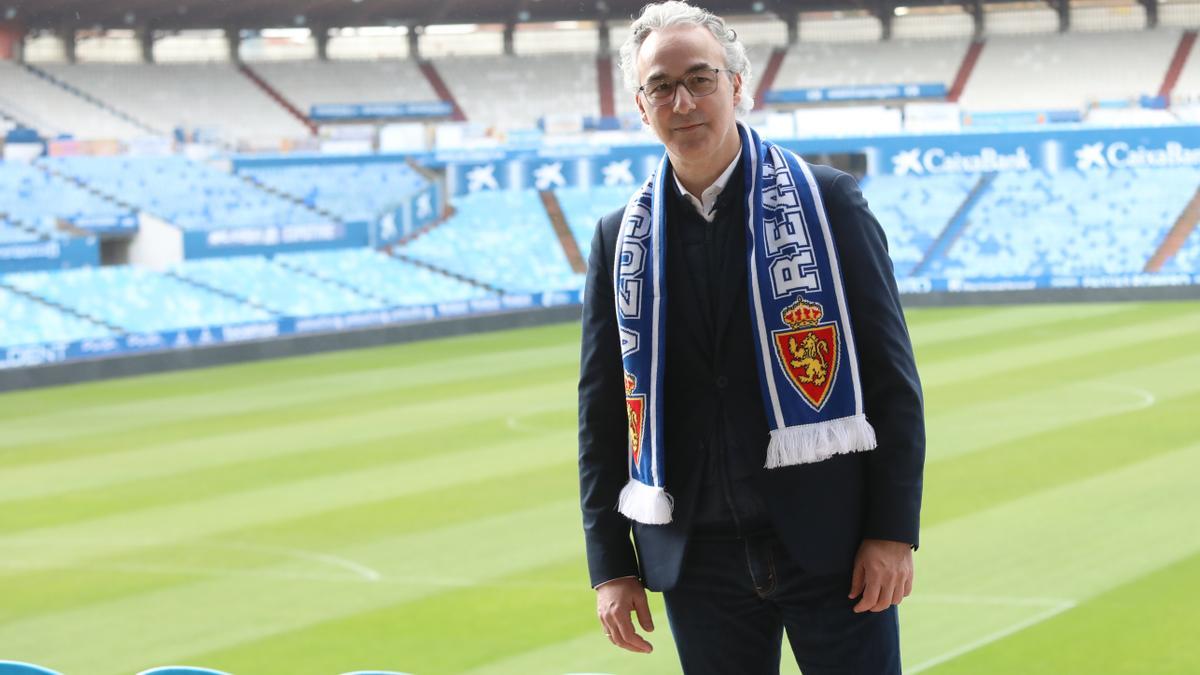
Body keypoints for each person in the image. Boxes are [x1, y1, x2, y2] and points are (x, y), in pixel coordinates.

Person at [577, 2, 925, 673]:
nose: (683, 101)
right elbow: (604, 413)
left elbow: (891, 379)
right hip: (696, 560)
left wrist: (891, 531)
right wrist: (611, 566)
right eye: (660, 86)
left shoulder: (829, 206)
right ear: (640, 106)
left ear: (738, 86)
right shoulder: (619, 239)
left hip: (833, 547)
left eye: (701, 78)